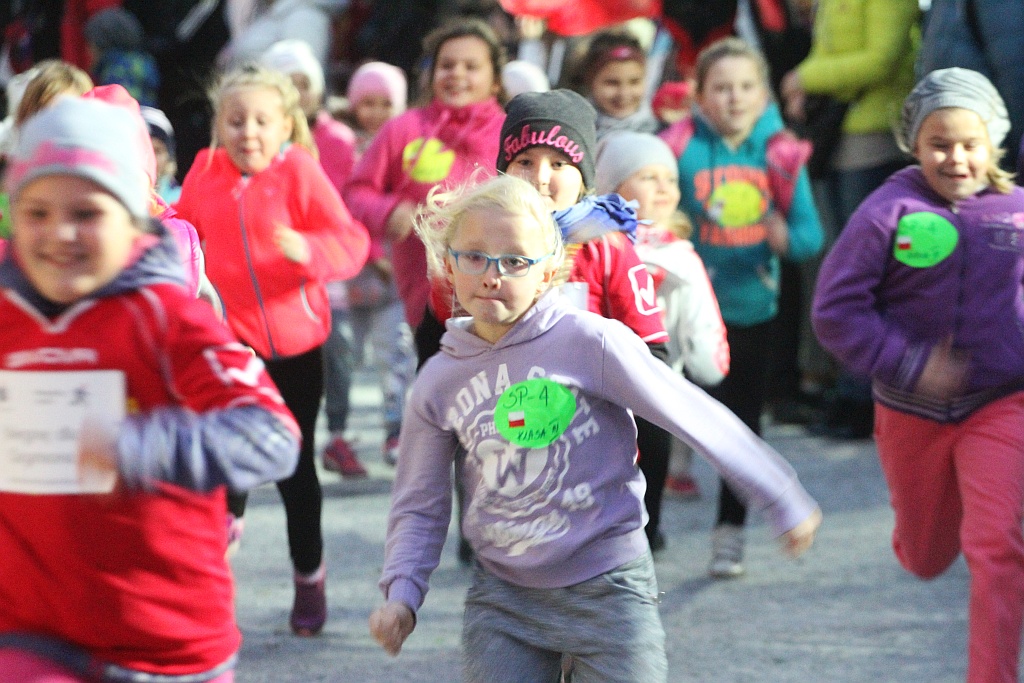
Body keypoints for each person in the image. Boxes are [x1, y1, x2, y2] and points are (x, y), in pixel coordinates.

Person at [368, 174, 822, 682]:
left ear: (548, 272)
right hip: (503, 600)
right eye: (474, 256)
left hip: (609, 588)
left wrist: (779, 493)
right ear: (448, 264)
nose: (492, 275)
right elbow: (419, 501)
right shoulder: (439, 379)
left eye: (515, 261)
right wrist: (402, 593)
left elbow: (689, 412)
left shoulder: (590, 342)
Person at [0, 96, 299, 683]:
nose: (60, 234)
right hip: (35, 631)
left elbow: (271, 436)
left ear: (133, 216)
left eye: (86, 212)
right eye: (37, 212)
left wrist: (134, 447)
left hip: (164, 641)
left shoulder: (167, 318)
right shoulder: (7, 317)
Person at [812, 67, 1024, 683]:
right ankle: (929, 525)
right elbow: (834, 311)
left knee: (998, 547)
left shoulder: (1016, 213)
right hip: (911, 409)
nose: (956, 158)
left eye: (970, 144)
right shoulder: (888, 211)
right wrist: (908, 363)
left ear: (994, 142)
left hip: (1001, 402)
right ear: (913, 143)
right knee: (927, 557)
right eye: (939, 144)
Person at [175, 63, 370, 637]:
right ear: (219, 124)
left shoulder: (299, 171)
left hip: (296, 347)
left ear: (286, 125)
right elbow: (182, 239)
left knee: (294, 469)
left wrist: (308, 249)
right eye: (235, 120)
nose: (248, 132)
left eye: (262, 121)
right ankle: (218, 546)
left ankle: (309, 577)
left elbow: (350, 240)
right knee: (227, 456)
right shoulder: (204, 171)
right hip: (230, 343)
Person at [494, 88, 674, 553]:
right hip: (511, 441)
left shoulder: (605, 245)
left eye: (559, 164)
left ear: (583, 178)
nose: (540, 178)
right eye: (524, 161)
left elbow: (653, 352)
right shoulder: (481, 244)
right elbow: (448, 338)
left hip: (594, 443)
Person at [673, 37, 822, 577]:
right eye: (721, 88)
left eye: (745, 87)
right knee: (676, 414)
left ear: (764, 96)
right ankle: (647, 528)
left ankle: (729, 533)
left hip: (754, 306)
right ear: (700, 96)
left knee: (741, 425)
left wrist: (785, 238)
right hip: (689, 308)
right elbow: (657, 212)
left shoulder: (781, 154)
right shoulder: (681, 149)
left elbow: (810, 237)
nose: (734, 98)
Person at [779, 0, 919, 439]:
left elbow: (881, 59)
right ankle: (851, 387)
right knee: (845, 271)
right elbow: (827, 50)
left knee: (872, 272)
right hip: (838, 137)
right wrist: (802, 80)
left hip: (875, 139)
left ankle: (868, 396)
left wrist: (804, 79)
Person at [344, 18, 507, 365]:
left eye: (471, 66)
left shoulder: (511, 132)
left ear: (495, 80)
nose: (456, 74)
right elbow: (356, 193)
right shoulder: (404, 129)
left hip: (501, 302)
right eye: (446, 65)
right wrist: (389, 211)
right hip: (426, 301)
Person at [595, 130, 730, 501]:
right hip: (605, 381)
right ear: (613, 187)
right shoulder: (597, 248)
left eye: (670, 179)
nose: (663, 188)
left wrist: (707, 360)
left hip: (661, 383)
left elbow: (702, 319)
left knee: (652, 465)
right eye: (648, 177)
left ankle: (649, 529)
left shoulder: (680, 256)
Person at [574, 28, 659, 140]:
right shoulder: (574, 133)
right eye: (612, 83)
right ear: (590, 81)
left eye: (634, 82)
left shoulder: (662, 131)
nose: (624, 93)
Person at [83, 7, 160, 107]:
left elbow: (120, 110)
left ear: (103, 43)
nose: (88, 51)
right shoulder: (142, 61)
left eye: (91, 44)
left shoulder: (118, 72)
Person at [345, 60, 408, 154]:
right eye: (369, 103)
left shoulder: (404, 145)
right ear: (354, 106)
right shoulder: (344, 142)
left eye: (387, 104)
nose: (377, 112)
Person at [141, 105, 182, 205]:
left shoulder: (179, 199)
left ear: (168, 156)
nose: (151, 158)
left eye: (158, 151)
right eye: (144, 149)